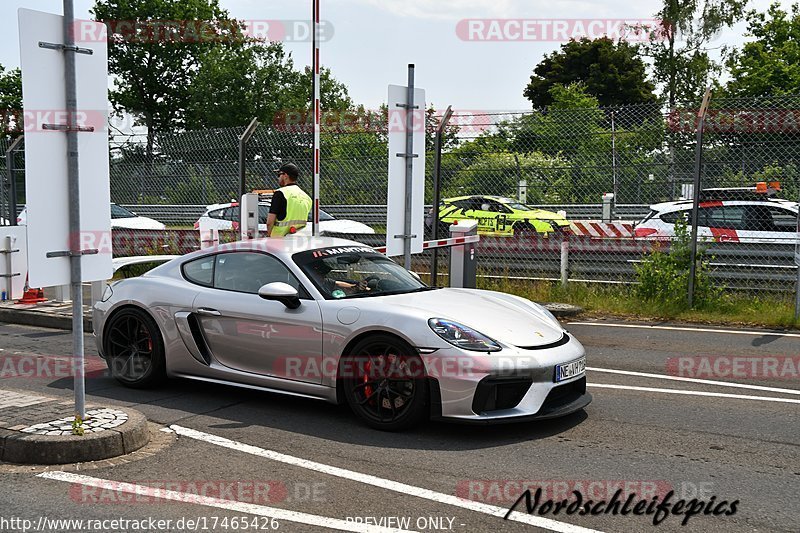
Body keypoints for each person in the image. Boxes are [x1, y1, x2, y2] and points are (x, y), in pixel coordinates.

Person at [267, 163, 313, 237]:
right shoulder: (306, 197)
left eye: (279, 175)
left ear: (285, 176)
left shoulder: (280, 193)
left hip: (278, 241)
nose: (278, 178)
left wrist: (268, 236)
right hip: (297, 241)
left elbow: (270, 222)